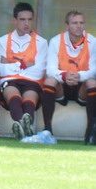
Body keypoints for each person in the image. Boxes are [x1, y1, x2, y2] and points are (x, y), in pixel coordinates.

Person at [38, 10, 96, 144]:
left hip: (82, 86)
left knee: (93, 83)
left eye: (81, 23)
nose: (79, 26)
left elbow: (93, 70)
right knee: (49, 80)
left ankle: (91, 132)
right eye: (75, 23)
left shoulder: (92, 41)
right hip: (62, 87)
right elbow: (50, 69)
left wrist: (79, 75)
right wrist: (64, 76)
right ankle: (47, 131)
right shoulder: (56, 41)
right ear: (67, 26)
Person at [0, 1, 48, 139]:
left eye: (30, 20)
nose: (26, 23)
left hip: (32, 81)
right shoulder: (2, 41)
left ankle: (23, 129)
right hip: (9, 81)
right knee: (12, 93)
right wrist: (24, 65)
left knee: (29, 96)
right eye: (22, 19)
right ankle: (24, 128)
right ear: (15, 20)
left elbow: (39, 70)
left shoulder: (41, 42)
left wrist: (10, 63)